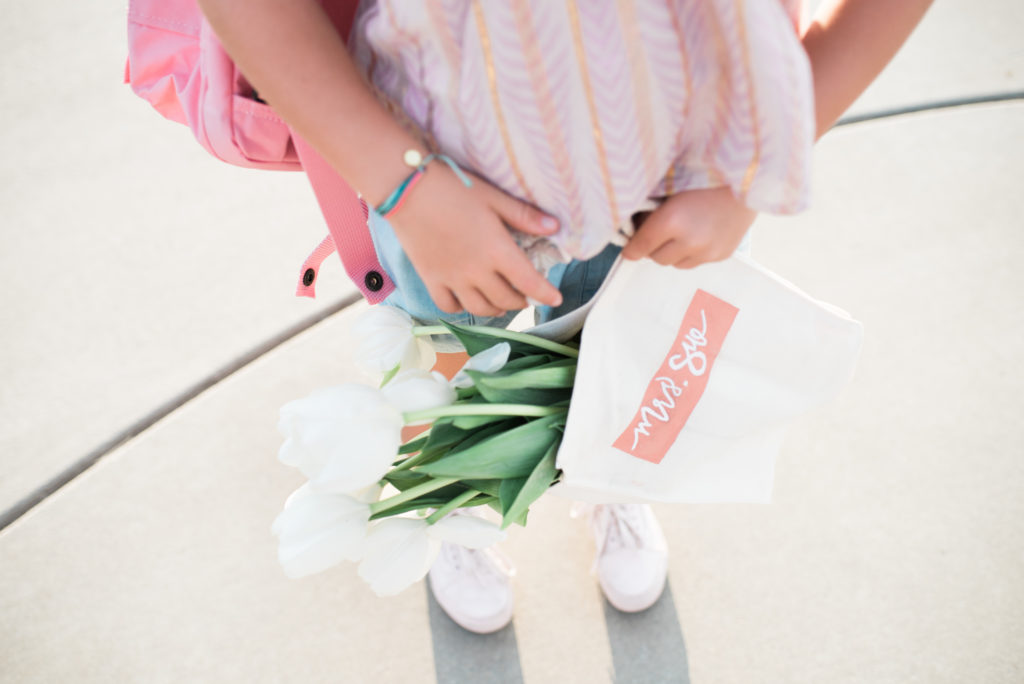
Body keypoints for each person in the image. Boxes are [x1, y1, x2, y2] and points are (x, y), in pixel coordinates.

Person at [197, 0, 932, 634]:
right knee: (439, 365)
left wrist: (754, 169)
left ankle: (610, 480)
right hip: (439, 170)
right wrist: (403, 186)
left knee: (628, 357)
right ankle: (453, 502)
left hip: (676, 178)